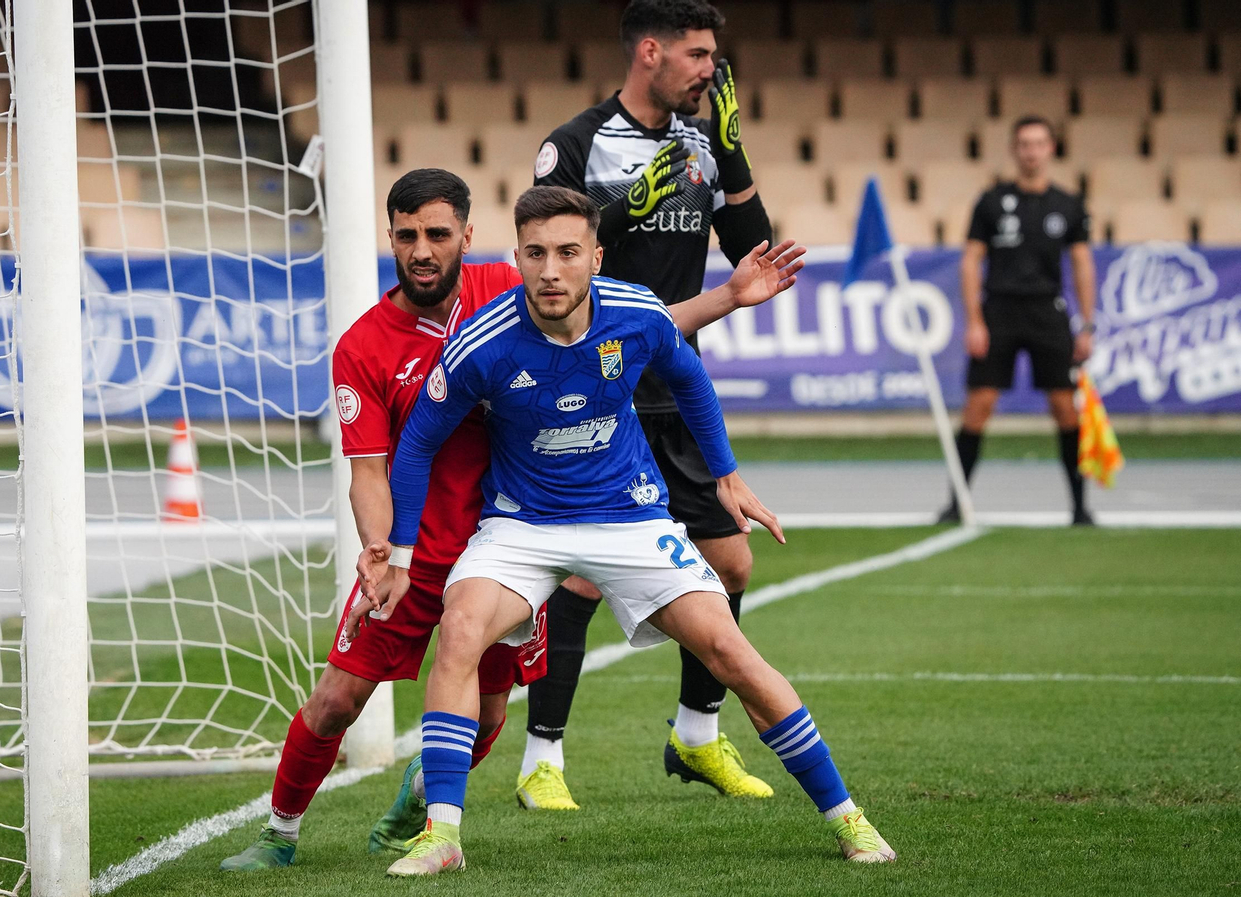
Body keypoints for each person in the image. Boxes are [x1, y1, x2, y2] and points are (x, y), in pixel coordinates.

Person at [220, 169, 804, 871]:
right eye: (407, 235)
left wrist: (728, 298)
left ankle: (421, 795)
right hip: (416, 552)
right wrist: (382, 547)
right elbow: (369, 470)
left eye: (438, 233)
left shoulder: (510, 286)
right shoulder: (363, 347)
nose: (423, 249)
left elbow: (634, 322)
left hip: (508, 545)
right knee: (337, 698)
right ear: (391, 240)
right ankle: (280, 832)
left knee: (490, 718)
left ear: (467, 236)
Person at [359, 186, 893, 877]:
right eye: (536, 253)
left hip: (631, 517)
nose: (551, 269)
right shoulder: (481, 341)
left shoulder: (635, 314)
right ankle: (443, 835)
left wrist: (725, 475)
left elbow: (689, 376)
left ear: (596, 256)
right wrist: (397, 551)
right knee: (459, 630)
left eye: (568, 252)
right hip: (522, 526)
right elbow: (417, 445)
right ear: (515, 256)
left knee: (730, 651)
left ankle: (847, 815)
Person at [522, 0, 777, 809]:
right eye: (700, 55)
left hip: (675, 378)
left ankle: (695, 739)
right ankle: (541, 761)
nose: (712, 69)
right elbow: (554, 274)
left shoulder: (703, 140)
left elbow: (749, 255)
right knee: (585, 580)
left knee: (730, 561)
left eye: (715, 56)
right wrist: (625, 208)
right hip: (595, 384)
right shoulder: (574, 145)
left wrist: (733, 157)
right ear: (652, 52)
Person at [938, 115, 1097, 526]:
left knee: (1066, 408)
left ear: (1051, 149)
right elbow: (971, 262)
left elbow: (1082, 264)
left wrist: (1087, 324)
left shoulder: (1069, 203)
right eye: (1024, 144)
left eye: (1039, 143)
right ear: (1015, 150)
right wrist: (975, 320)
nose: (1032, 151)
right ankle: (956, 503)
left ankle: (1079, 507)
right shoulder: (991, 201)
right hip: (1000, 312)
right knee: (979, 405)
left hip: (1048, 313)